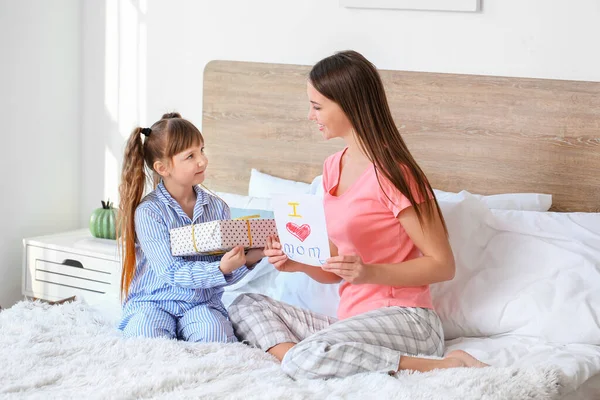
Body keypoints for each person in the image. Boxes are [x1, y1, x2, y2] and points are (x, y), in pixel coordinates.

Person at [228, 51, 488, 379]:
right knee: (245, 304)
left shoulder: (396, 175)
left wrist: (369, 273)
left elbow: (442, 264)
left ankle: (443, 365)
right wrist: (298, 264)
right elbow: (337, 270)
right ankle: (315, 358)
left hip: (407, 322)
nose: (310, 116)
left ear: (348, 105)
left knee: (305, 356)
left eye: (317, 106)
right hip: (351, 323)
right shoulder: (332, 167)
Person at [117, 112, 263, 342]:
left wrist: (253, 257)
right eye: (190, 156)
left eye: (202, 150)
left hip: (201, 303)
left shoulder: (217, 208)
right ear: (163, 168)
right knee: (144, 338)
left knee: (215, 337)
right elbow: (170, 271)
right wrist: (220, 269)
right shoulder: (149, 212)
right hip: (154, 301)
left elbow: (224, 272)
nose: (202, 160)